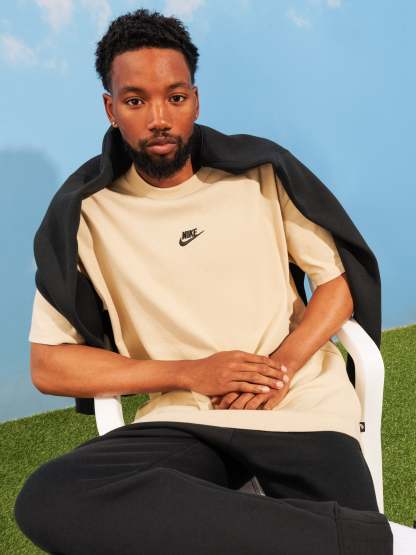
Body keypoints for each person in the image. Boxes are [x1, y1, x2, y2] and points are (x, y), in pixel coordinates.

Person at [13, 7, 413, 555]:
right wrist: (191, 373)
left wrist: (280, 369)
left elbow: (337, 285)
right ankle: (379, 543)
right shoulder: (83, 215)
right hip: (185, 420)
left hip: (302, 408)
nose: (159, 118)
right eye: (136, 101)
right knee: (50, 497)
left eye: (175, 97)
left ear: (195, 101)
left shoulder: (260, 173)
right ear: (111, 108)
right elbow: (48, 364)